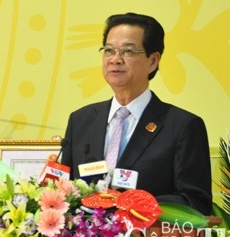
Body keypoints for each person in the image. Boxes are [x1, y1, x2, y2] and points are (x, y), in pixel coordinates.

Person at [61, 12, 212, 215]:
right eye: (109, 50)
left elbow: (195, 202)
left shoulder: (182, 126)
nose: (115, 59)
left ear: (153, 61)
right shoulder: (81, 121)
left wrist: (132, 204)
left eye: (128, 51)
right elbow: (65, 193)